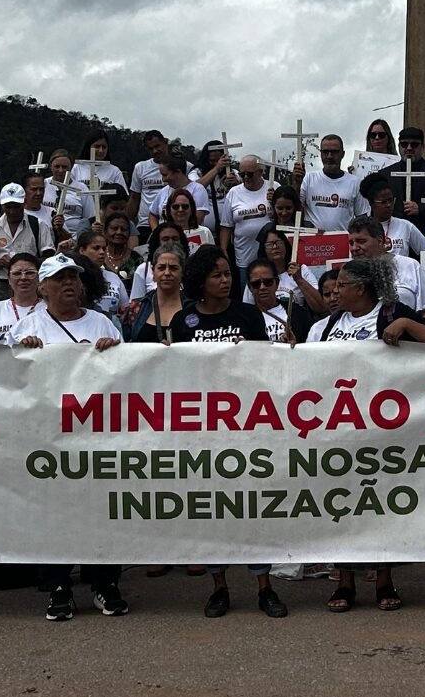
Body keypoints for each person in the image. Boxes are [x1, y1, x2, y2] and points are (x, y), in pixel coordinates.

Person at [312, 256, 425, 613]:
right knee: (340, 504)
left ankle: (384, 577)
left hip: (381, 430)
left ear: (360, 288)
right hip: (339, 429)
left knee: (380, 504)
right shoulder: (330, 324)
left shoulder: (390, 312)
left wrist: (405, 323)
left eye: (341, 285)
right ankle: (345, 581)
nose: (335, 291)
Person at [165, 245, 284, 617]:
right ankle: (219, 586)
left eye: (228, 273)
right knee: (212, 511)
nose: (225, 280)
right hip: (204, 431)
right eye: (217, 274)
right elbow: (178, 378)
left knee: (252, 509)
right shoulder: (183, 322)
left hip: (247, 427)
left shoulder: (248, 315)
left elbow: (267, 368)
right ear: (200, 280)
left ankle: (265, 585)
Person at [7, 253, 123, 620]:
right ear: (43, 288)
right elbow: (9, 384)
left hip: (97, 434)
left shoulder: (102, 323)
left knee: (102, 511)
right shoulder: (29, 328)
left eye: (73, 277)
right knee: (53, 513)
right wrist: (20, 355)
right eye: (59, 279)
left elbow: (128, 376)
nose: (69, 284)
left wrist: (115, 353)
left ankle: (104, 583)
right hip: (49, 438)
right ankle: (58, 585)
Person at [0, 183, 54, 303]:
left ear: (24, 203)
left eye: (16, 207)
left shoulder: (38, 225)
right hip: (1, 285)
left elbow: (49, 259)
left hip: (31, 285)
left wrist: (25, 264)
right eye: (8, 207)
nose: (12, 211)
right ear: (2, 205)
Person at [347, 216, 425, 314]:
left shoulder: (411, 265)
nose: (354, 248)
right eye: (351, 243)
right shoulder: (347, 274)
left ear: (380, 241)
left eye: (361, 242)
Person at [219, 156, 277, 286]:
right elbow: (226, 226)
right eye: (242, 174)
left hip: (272, 254)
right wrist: (223, 250)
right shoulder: (233, 193)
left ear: (261, 172)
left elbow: (286, 215)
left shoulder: (273, 187)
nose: (245, 177)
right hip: (245, 256)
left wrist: (274, 202)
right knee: (247, 294)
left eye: (249, 174)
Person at [377, 126, 425, 232]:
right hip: (394, 233)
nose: (409, 148)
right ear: (399, 146)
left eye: (414, 145)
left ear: (422, 146)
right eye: (404, 144)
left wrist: (421, 208)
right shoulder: (385, 174)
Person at [295, 134, 368, 231]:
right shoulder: (308, 179)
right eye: (325, 152)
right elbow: (295, 208)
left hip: (342, 242)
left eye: (334, 152)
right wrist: (297, 183)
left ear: (343, 154)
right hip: (313, 242)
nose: (329, 156)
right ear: (320, 154)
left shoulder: (355, 182)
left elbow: (362, 219)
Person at [245, 227, 323, 313]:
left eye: (279, 243)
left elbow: (320, 306)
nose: (275, 247)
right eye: (270, 244)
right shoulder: (255, 276)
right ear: (264, 249)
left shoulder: (302, 270)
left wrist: (299, 279)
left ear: (286, 246)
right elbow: (247, 309)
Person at [0, 253, 41, 346]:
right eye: (17, 273)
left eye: (30, 273)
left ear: (39, 277)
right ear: (9, 279)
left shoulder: (50, 309)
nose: (23, 278)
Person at [126, 244, 187, 344]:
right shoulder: (137, 308)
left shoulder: (194, 306)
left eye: (173, 268)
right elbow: (123, 343)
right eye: (161, 268)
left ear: (182, 273)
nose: (167, 273)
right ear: (153, 273)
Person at [359, 175, 425, 258]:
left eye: (391, 200)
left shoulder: (405, 226)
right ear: (371, 203)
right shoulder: (362, 228)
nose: (389, 205)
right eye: (383, 202)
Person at [246, 258, 311, 344]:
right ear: (250, 287)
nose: (262, 287)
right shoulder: (244, 318)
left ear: (277, 283)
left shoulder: (297, 312)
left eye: (268, 282)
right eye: (256, 284)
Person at [74, 231, 130, 319]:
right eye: (96, 248)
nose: (102, 252)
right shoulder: (74, 276)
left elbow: (125, 308)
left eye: (104, 248)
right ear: (82, 250)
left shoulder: (113, 277)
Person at [147, 153, 209, 231]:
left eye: (165, 175)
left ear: (178, 172)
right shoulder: (163, 191)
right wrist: (157, 232)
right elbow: (152, 214)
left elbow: (197, 220)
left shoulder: (197, 190)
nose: (163, 179)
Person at [44, 149, 96, 241]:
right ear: (51, 167)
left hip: (74, 238)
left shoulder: (81, 188)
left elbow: (89, 219)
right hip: (46, 234)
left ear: (71, 168)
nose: (60, 170)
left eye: (65, 167)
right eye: (57, 166)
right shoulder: (43, 185)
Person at [130, 223, 186, 300]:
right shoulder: (143, 269)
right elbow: (136, 302)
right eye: (165, 239)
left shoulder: (190, 267)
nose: (171, 242)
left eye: (175, 239)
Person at [71, 128, 128, 192]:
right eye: (97, 146)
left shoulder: (114, 172)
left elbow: (122, 196)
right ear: (88, 147)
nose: (101, 151)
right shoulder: (76, 168)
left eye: (104, 147)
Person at [100, 211, 143, 294]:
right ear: (105, 232)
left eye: (123, 229)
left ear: (129, 233)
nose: (119, 232)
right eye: (114, 228)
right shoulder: (99, 256)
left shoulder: (136, 259)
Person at [162, 187, 214, 252]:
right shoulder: (162, 234)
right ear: (169, 210)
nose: (180, 210)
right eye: (176, 207)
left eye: (185, 206)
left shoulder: (205, 232)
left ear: (191, 208)